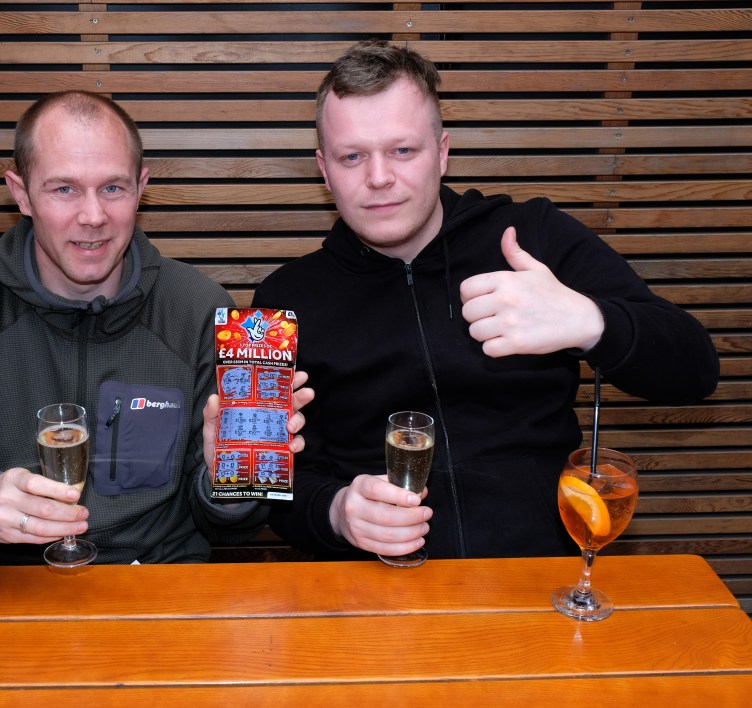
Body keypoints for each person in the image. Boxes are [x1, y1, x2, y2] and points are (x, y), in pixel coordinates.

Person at [252, 40, 719, 560]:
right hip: (370, 587)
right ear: (324, 168)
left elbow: (695, 370)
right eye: (352, 156)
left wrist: (590, 321)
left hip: (540, 573)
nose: (379, 177)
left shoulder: (532, 237)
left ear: (443, 151)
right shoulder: (280, 301)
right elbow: (262, 485)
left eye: (403, 150)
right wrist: (335, 511)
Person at [0, 90, 310, 565]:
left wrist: (226, 481)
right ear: (21, 193)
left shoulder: (197, 310)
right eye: (64, 189)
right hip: (17, 591)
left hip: (160, 587)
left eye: (113, 188)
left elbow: (231, 530)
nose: (93, 217)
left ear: (140, 187)